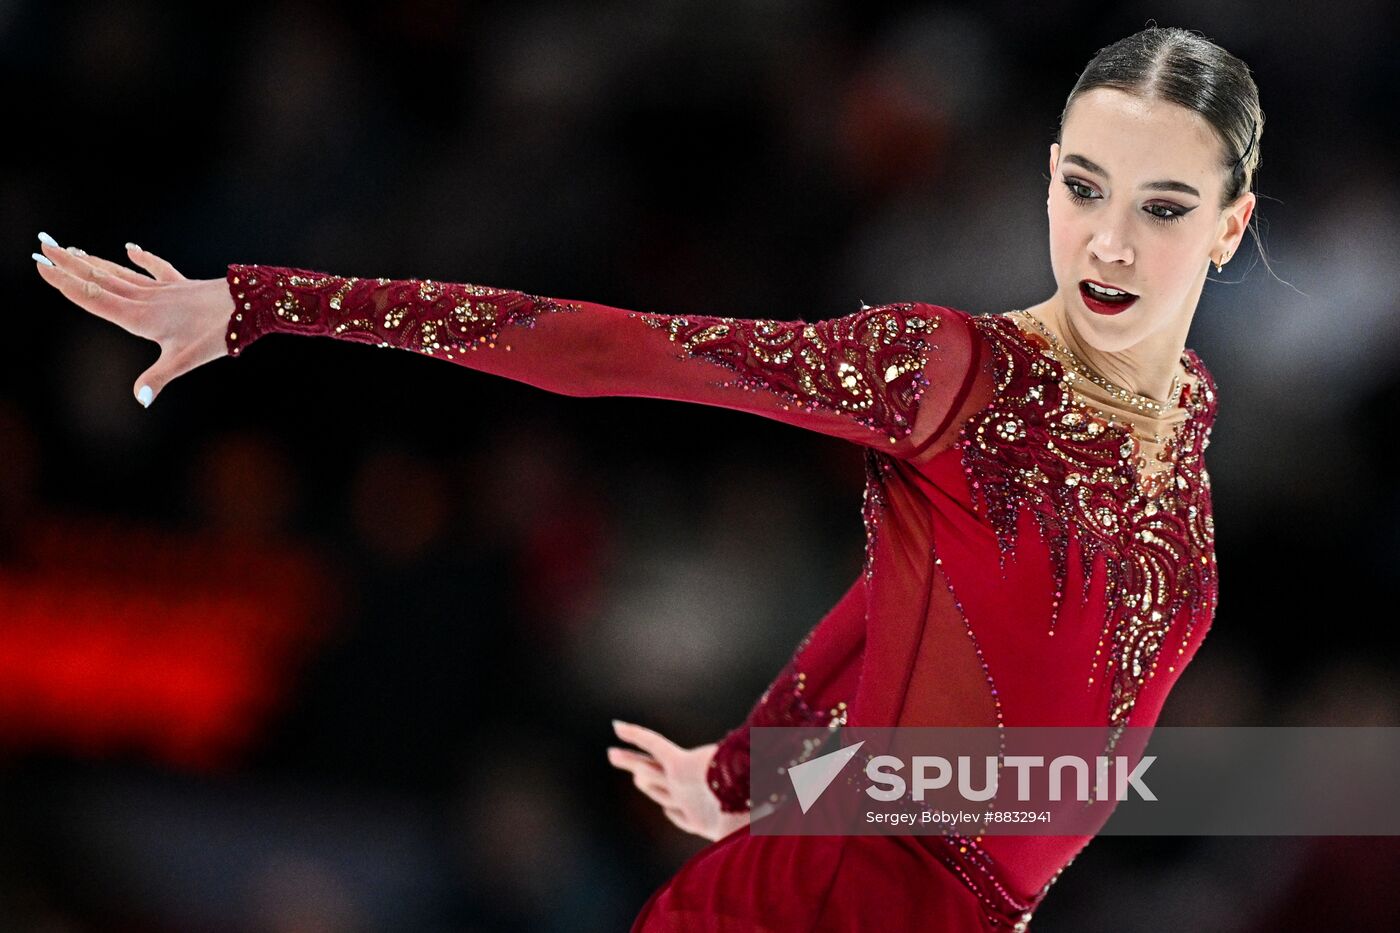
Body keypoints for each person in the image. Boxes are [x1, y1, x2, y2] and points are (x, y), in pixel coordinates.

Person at [34, 23, 1259, 932]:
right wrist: (268, 303)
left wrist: (749, 764)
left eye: (1159, 207)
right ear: (1046, 174)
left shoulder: (1187, 413)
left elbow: (911, 595)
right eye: (1082, 187)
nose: (1106, 241)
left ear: (1228, 224)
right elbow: (607, 349)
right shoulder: (944, 369)